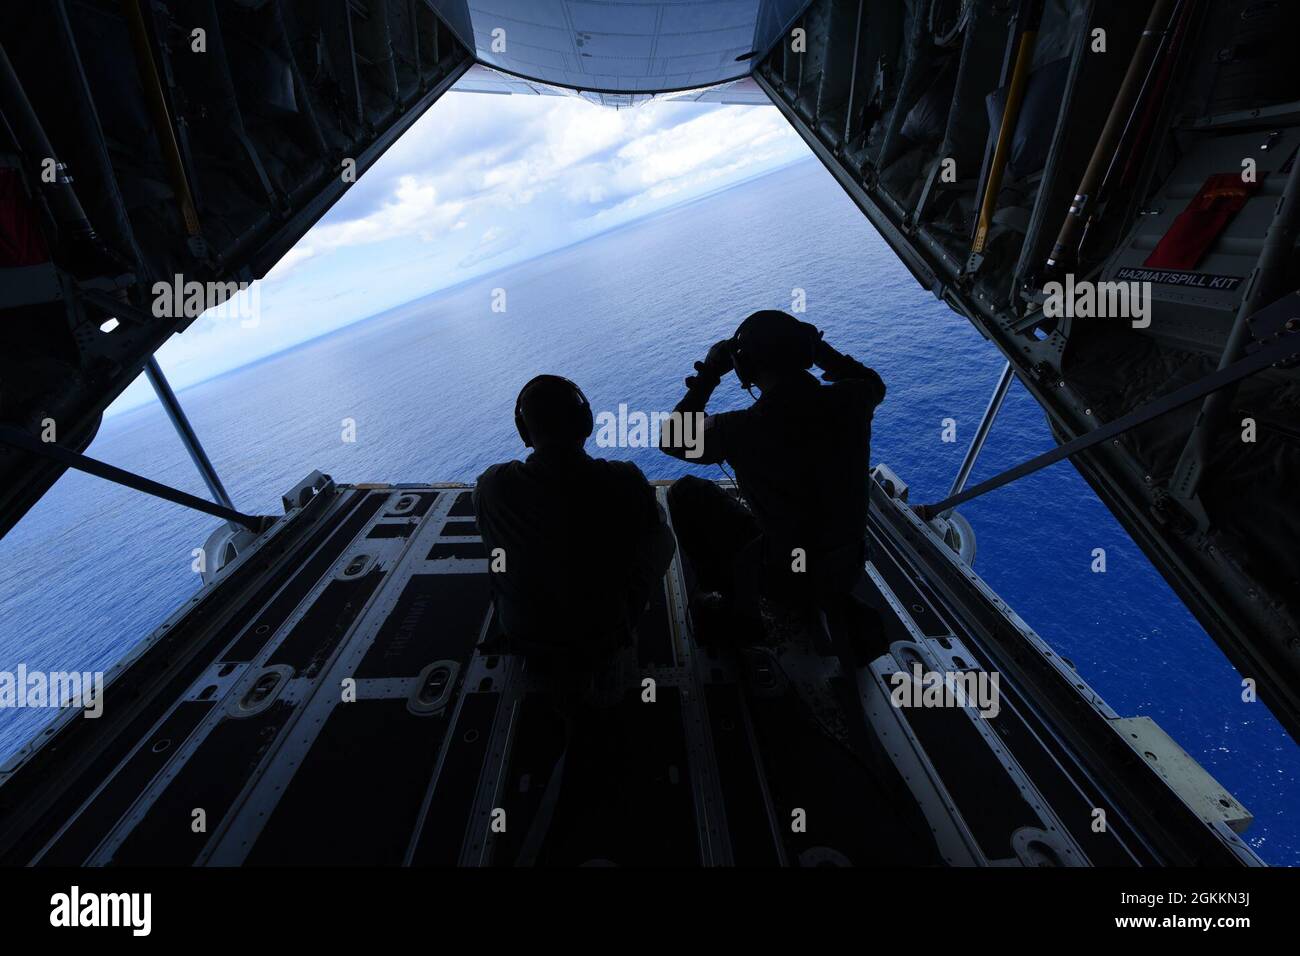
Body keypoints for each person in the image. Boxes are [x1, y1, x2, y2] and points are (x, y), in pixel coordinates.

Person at [660, 310, 886, 648]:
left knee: (687, 493)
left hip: (784, 577)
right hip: (847, 567)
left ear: (745, 367)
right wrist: (819, 350)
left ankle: (736, 606)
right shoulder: (854, 398)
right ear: (805, 352)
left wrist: (709, 374)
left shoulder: (739, 429)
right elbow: (873, 382)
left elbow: (672, 440)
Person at [474, 374, 675, 705]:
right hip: (603, 636)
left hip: (524, 636)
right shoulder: (623, 479)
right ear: (586, 422)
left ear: (525, 433)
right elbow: (649, 530)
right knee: (662, 533)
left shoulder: (492, 484)